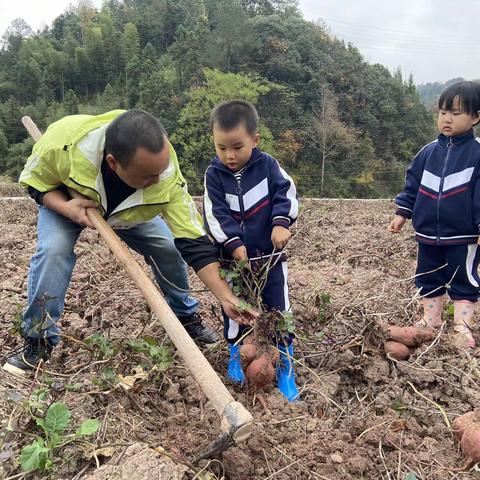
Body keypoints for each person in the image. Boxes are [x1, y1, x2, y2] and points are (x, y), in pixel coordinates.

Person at [5, 109, 256, 373]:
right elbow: (35, 184)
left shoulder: (165, 173)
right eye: (148, 176)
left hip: (131, 212)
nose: (158, 179)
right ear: (113, 163)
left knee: (168, 247)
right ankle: (38, 340)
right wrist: (65, 207)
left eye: (161, 171)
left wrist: (225, 297)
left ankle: (185, 316)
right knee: (53, 251)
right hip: (71, 201)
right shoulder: (62, 146)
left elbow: (193, 242)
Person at [203, 100, 299, 401]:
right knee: (235, 309)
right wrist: (234, 245)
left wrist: (281, 223)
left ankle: (285, 366)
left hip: (269, 260)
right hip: (233, 263)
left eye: (237, 147)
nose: (229, 155)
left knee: (278, 310)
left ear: (255, 141)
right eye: (222, 148)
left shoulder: (268, 166)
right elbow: (214, 213)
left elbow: (286, 193)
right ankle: (237, 354)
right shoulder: (214, 175)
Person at [389, 81, 480, 349]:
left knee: (463, 280)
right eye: (442, 112)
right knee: (428, 276)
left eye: (456, 113)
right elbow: (412, 184)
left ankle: (462, 326)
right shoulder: (427, 153)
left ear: (475, 117)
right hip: (427, 234)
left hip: (463, 236)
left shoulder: (477, 154)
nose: (447, 119)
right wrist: (402, 213)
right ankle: (431, 319)